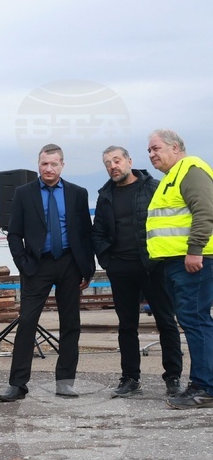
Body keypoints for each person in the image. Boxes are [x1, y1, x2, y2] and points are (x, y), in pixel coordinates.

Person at [0, 143, 95, 402]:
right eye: (44, 164)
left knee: (71, 323)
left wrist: (88, 268)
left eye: (53, 164)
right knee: (27, 322)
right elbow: (14, 233)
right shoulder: (23, 193)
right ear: (38, 165)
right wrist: (23, 264)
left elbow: (86, 233)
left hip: (69, 264)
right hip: (36, 266)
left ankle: (65, 382)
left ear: (62, 165)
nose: (48, 168)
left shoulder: (77, 193)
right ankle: (17, 385)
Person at [91, 145, 182, 397]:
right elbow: (97, 232)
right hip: (121, 268)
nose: (113, 166)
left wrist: (164, 257)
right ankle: (130, 378)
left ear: (129, 161)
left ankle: (173, 378)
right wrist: (108, 261)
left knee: (166, 322)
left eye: (117, 160)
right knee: (127, 325)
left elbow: (170, 222)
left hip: (153, 267)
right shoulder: (105, 196)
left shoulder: (152, 187)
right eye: (107, 162)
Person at [145, 129, 213, 409]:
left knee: (195, 320)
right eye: (149, 151)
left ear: (175, 147)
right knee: (193, 320)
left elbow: (206, 211)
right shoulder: (170, 178)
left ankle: (204, 387)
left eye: (156, 148)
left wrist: (194, 250)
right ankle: (203, 383)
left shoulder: (190, 170)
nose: (151, 155)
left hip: (193, 262)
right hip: (177, 263)